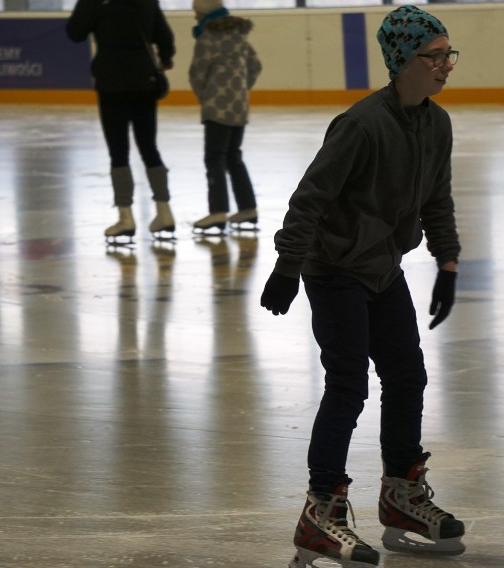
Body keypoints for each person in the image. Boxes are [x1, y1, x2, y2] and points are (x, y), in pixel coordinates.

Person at [259, 5, 465, 567]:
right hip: (335, 272)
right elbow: (310, 199)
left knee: (407, 375)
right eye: (435, 55)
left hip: (380, 267)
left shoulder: (435, 123)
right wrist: (287, 267)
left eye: (450, 54)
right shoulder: (361, 125)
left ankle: (400, 494)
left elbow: (436, 198)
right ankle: (320, 512)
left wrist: (447, 262)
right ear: (404, 61)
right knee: (348, 386)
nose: (446, 65)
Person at [66, 0, 177, 243]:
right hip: (144, 79)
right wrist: (165, 57)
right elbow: (165, 36)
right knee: (149, 147)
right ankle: (164, 211)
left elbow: (74, 32)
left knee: (118, 152)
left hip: (111, 81)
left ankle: (125, 217)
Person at [189, 0, 262, 234]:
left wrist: (206, 96)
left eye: (196, 12)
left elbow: (197, 73)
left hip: (216, 107)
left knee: (214, 158)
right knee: (233, 156)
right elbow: (255, 66)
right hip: (239, 106)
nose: (195, 17)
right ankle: (248, 207)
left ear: (205, 13)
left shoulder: (207, 37)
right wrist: (240, 90)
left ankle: (218, 211)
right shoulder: (238, 36)